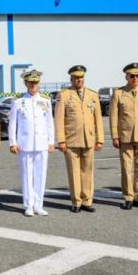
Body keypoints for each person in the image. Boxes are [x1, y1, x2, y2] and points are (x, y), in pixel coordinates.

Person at [55, 65, 104, 213]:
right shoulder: (64, 95)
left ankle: (87, 200)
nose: (79, 80)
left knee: (87, 171)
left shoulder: (92, 95)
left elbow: (98, 119)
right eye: (76, 78)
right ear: (71, 79)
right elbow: (59, 119)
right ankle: (76, 202)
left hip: (89, 139)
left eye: (81, 77)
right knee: (74, 172)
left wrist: (100, 138)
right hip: (71, 140)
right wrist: (61, 140)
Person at [109, 63, 138, 211]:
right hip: (125, 136)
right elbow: (113, 116)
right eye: (132, 76)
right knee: (126, 168)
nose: (135, 78)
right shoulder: (119, 93)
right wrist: (115, 136)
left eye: (137, 76)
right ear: (127, 77)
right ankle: (128, 197)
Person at [8, 70, 55, 217]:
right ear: (25, 83)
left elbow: (49, 123)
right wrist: (12, 142)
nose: (33, 85)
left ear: (39, 83)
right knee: (27, 175)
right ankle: (28, 205)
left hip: (42, 143)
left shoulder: (46, 101)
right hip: (25, 144)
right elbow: (12, 124)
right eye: (30, 82)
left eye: (36, 82)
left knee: (41, 175)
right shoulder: (18, 101)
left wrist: (51, 141)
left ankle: (39, 205)